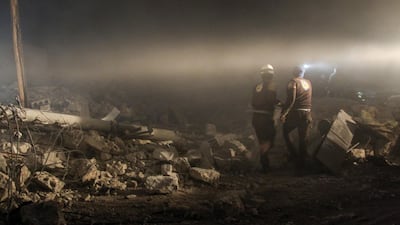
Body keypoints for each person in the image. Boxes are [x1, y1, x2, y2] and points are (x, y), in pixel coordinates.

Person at [280, 65, 312, 169]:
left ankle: (294, 156)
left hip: (295, 113)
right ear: (302, 73)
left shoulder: (293, 82)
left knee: (286, 132)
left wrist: (284, 113)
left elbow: (291, 100)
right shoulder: (308, 82)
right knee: (303, 139)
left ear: (293, 72)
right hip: (307, 113)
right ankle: (302, 166)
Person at [251, 64, 280, 172]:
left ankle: (262, 164)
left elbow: (253, 102)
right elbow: (271, 99)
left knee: (261, 140)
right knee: (270, 140)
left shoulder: (257, 86)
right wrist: (280, 103)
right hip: (265, 118)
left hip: (256, 118)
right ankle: (264, 165)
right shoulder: (272, 84)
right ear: (271, 74)